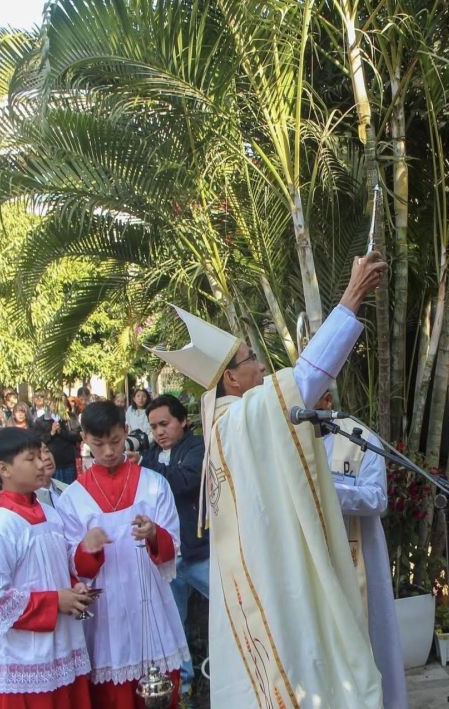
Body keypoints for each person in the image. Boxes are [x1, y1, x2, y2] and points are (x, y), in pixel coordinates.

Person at [149, 252, 387, 706]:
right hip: (273, 574)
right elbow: (305, 380)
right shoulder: (237, 422)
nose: (261, 366)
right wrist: (352, 297)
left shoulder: (227, 422)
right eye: (251, 359)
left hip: (262, 568)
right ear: (232, 380)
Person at [56, 400, 189, 708]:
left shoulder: (153, 485)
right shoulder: (73, 498)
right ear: (85, 439)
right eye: (98, 443)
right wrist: (88, 547)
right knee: (114, 696)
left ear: (126, 431)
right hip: (106, 614)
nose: (108, 451)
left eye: (115, 441)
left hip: (150, 601)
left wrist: (155, 534)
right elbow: (73, 569)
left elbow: (173, 548)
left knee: (160, 689)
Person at [0, 427, 95, 708]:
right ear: (4, 469)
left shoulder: (51, 514)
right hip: (23, 658)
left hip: (62, 647)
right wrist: (55, 601)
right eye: (31, 459)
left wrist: (76, 586)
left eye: (41, 455)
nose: (42, 464)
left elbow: (61, 567)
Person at [315, 389, 407, 708]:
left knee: (367, 643)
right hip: (309, 565)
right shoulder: (284, 444)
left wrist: (327, 490)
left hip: (358, 561)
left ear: (327, 399)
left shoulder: (358, 438)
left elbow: (377, 498)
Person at [138, 394, 206, 697]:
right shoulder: (151, 454)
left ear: (183, 421)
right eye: (154, 427)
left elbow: (187, 481)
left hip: (198, 548)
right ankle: (184, 684)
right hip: (167, 555)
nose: (159, 432)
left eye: (164, 424)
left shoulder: (198, 447)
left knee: (231, 604)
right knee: (173, 622)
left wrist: (143, 470)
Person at [33, 416, 81, 485]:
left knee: (69, 489)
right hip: (51, 464)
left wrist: (61, 432)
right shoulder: (40, 421)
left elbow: (78, 436)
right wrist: (51, 433)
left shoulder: (69, 417)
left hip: (68, 463)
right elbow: (37, 441)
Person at [36, 443, 70, 508]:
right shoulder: (28, 500)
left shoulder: (67, 489)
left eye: (47, 451)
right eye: (38, 455)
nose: (47, 457)